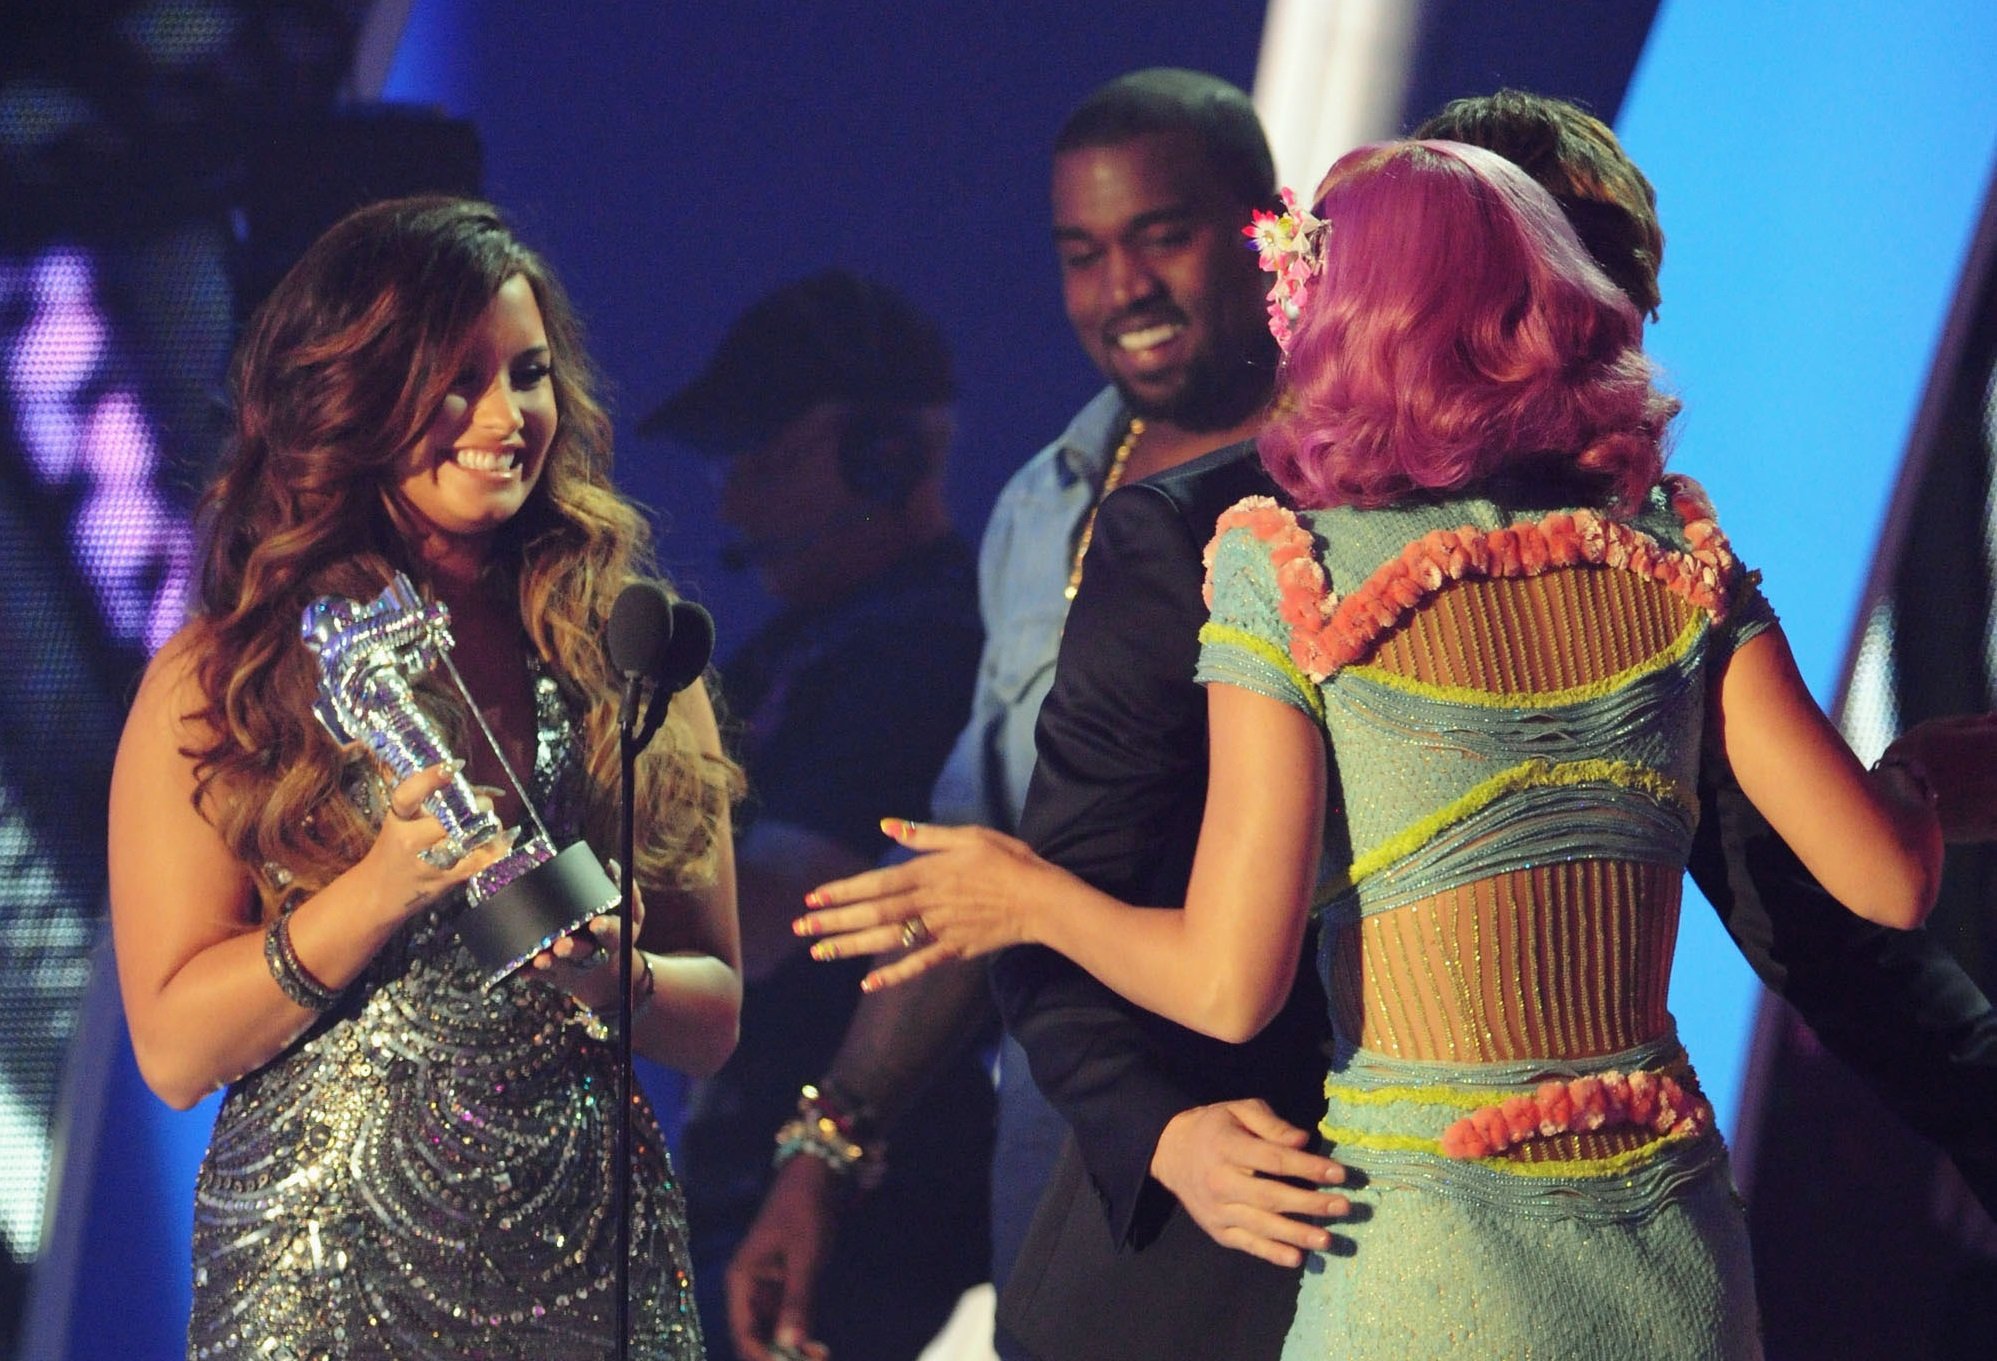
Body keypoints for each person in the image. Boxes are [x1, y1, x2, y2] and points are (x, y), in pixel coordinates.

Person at [800, 139, 1956, 1356]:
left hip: (1430, 1265)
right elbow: (1887, 880)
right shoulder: (1676, 555)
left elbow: (1225, 981)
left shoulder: (1288, 574)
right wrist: (1924, 775)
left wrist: (1026, 894)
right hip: (1664, 1260)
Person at [714, 70, 1289, 1361]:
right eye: (1084, 254)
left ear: (1266, 224)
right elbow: (972, 872)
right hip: (1064, 1187)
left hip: (1295, 1172)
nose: (1123, 288)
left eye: (1163, 233)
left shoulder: (1363, 474)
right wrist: (825, 1148)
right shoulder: (1047, 506)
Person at [106, 196, 743, 1360]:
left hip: (586, 1266)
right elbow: (171, 1046)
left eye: (530, 374)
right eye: (457, 382)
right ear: (355, 400)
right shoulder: (230, 674)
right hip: (319, 1279)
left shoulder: (628, 648)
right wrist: (379, 888)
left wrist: (622, 975)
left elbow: (715, 1013)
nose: (507, 418)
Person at [640, 269, 994, 1361]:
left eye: (760, 456)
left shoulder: (918, 648)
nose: (732, 500)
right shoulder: (797, 647)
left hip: (844, 1220)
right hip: (757, 1192)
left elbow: (762, 911)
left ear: (881, 456)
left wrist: (511, 896)